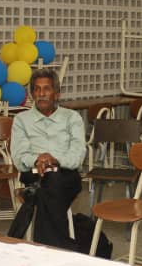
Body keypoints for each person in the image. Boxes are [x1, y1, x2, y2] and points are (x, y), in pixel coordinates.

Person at [8, 68, 86, 250]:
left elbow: (77, 156)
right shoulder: (21, 120)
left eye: (46, 89)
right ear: (32, 94)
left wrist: (54, 160)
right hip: (34, 174)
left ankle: (43, 246)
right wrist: (38, 159)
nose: (41, 94)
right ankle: (58, 247)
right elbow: (19, 158)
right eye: (36, 89)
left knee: (51, 182)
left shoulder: (72, 118)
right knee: (50, 183)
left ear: (57, 94)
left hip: (67, 175)